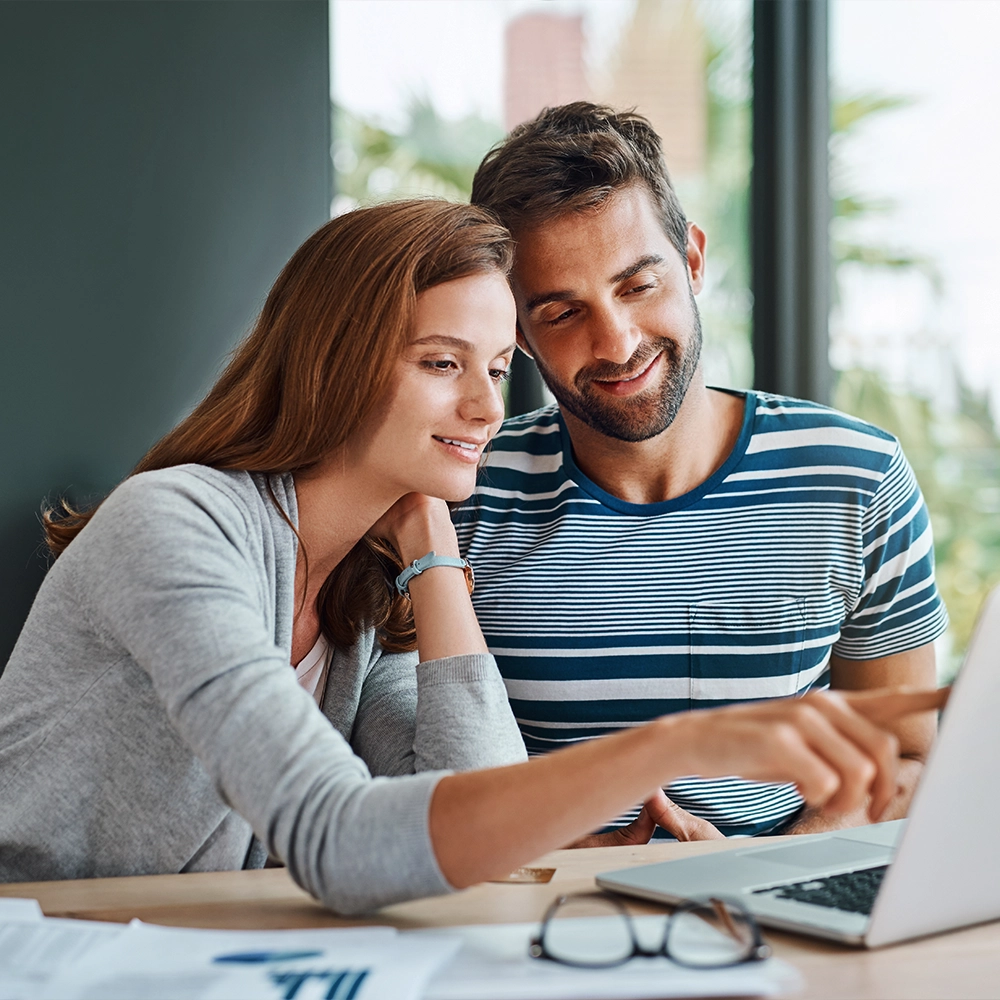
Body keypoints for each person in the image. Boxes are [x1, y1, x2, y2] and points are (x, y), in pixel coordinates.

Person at [0, 199, 944, 915]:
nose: (491, 411)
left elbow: (464, 804)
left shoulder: (357, 595)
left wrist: (431, 546)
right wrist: (682, 743)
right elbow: (336, 839)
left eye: (497, 369)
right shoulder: (176, 526)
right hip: (42, 952)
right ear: (333, 360)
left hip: (179, 953)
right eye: (442, 364)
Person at [460, 102, 948, 844]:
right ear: (519, 335)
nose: (616, 342)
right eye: (562, 313)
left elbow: (908, 758)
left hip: (774, 921)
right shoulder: (464, 493)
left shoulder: (858, 477)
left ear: (691, 259)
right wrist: (571, 859)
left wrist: (755, 874)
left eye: (637, 286)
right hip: (536, 920)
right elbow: (412, 776)